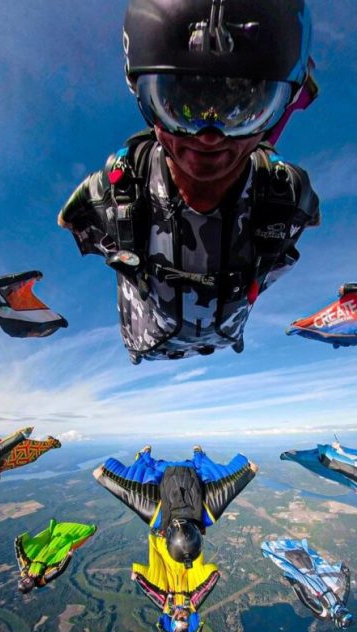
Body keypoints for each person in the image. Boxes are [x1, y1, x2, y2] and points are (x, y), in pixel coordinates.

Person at [59, 0, 320, 364]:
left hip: (155, 339)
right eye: (181, 104)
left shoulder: (288, 197)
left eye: (243, 108)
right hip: (189, 336)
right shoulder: (290, 197)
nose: (209, 137)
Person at [94, 444, 256, 632]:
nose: (181, 616)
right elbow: (101, 473)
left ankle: (155, 457)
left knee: (152, 477)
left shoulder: (205, 512)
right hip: (172, 487)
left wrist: (246, 469)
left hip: (170, 480)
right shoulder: (191, 597)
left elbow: (249, 468)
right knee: (150, 480)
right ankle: (169, 457)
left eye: (177, 620)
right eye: (185, 621)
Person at [262, 538, 353, 627]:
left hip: (307, 581)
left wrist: (296, 585)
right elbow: (346, 590)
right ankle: (283, 545)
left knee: (291, 562)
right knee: (303, 556)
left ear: (337, 617)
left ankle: (270, 550)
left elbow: (307, 601)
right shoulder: (341, 603)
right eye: (345, 611)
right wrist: (347, 574)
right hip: (317, 577)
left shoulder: (324, 613)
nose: (342, 609)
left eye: (342, 613)